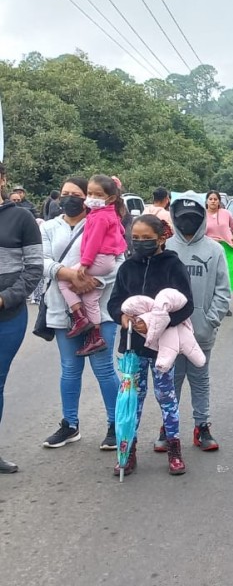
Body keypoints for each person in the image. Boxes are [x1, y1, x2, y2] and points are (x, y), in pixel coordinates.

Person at [107, 215, 194, 477]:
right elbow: (114, 303)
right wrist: (122, 318)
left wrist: (160, 323)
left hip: (161, 348)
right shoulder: (126, 268)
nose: (140, 243)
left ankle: (174, 449)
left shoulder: (173, 265)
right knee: (131, 400)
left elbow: (186, 304)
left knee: (167, 399)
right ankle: (127, 452)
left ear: (161, 238)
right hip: (132, 347)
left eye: (146, 239)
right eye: (135, 238)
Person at [40, 177, 123, 450]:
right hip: (63, 311)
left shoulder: (101, 220)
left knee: (103, 368)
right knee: (69, 369)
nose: (70, 198)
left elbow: (118, 260)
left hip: (100, 309)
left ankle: (115, 424)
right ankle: (70, 424)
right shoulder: (49, 227)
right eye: (65, 193)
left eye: (76, 193)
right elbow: (40, 260)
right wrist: (68, 274)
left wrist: (95, 282)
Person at [163, 199, 231, 451]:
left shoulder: (214, 250)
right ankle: (168, 427)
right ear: (174, 216)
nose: (187, 221)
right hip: (168, 332)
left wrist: (210, 320)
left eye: (193, 216)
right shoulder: (165, 247)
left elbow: (223, 291)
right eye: (182, 216)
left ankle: (202, 426)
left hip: (201, 331)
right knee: (172, 380)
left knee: (200, 380)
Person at [0, 163, 44, 473]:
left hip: (8, 316)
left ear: (2, 178)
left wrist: (5, 298)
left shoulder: (21, 217)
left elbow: (33, 269)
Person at [56, 175, 128, 357]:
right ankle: (95, 336)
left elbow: (93, 242)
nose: (92, 198)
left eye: (97, 194)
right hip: (105, 261)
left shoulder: (99, 217)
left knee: (64, 281)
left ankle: (79, 317)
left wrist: (85, 265)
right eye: (90, 193)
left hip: (98, 261)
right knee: (90, 299)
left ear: (110, 198)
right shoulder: (110, 214)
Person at [205, 190, 233, 302]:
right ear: (206, 201)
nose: (213, 201)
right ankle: (212, 301)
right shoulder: (202, 215)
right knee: (212, 277)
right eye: (210, 199)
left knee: (228, 275)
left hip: (227, 249)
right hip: (209, 249)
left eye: (215, 199)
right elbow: (199, 233)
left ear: (219, 201)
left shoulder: (226, 213)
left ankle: (224, 302)